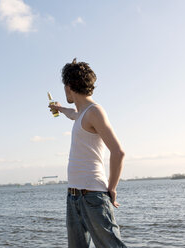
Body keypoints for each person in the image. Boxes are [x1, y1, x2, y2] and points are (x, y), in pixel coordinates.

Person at [49, 58, 127, 248]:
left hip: (93, 196)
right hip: (74, 196)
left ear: (69, 86)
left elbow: (118, 152)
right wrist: (58, 108)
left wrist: (112, 188)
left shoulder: (94, 111)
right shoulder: (82, 114)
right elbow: (72, 114)